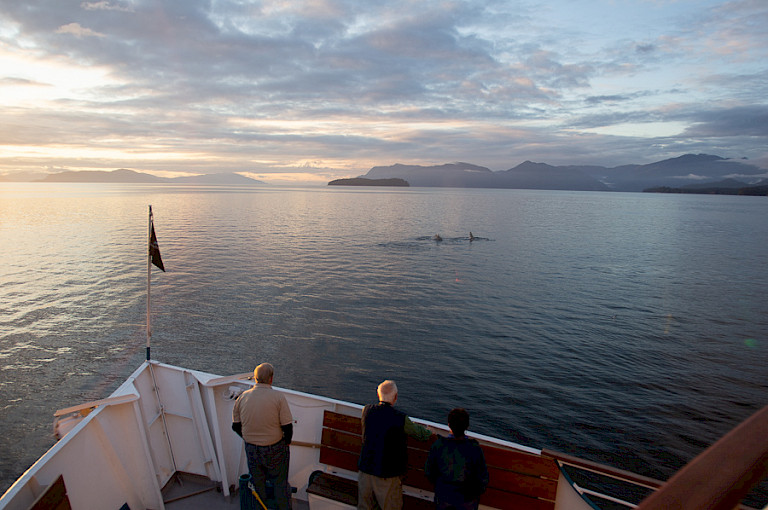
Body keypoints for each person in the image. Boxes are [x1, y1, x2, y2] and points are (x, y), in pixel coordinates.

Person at [358, 380, 433, 510]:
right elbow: (421, 434)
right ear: (396, 397)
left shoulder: (366, 411)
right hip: (387, 474)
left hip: (365, 471)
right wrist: (430, 432)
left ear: (378, 394)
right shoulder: (400, 418)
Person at [232, 363, 294, 510]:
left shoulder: (242, 398)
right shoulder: (278, 397)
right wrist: (287, 442)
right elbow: (287, 427)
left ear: (255, 378)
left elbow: (235, 426)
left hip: (252, 449)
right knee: (280, 485)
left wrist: (249, 438)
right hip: (275, 449)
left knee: (258, 486)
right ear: (271, 379)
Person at [425, 408, 489, 510]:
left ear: (449, 425)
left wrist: (441, 487)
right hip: (467, 501)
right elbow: (483, 477)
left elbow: (430, 472)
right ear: (467, 426)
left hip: (443, 497)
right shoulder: (474, 448)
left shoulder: (438, 446)